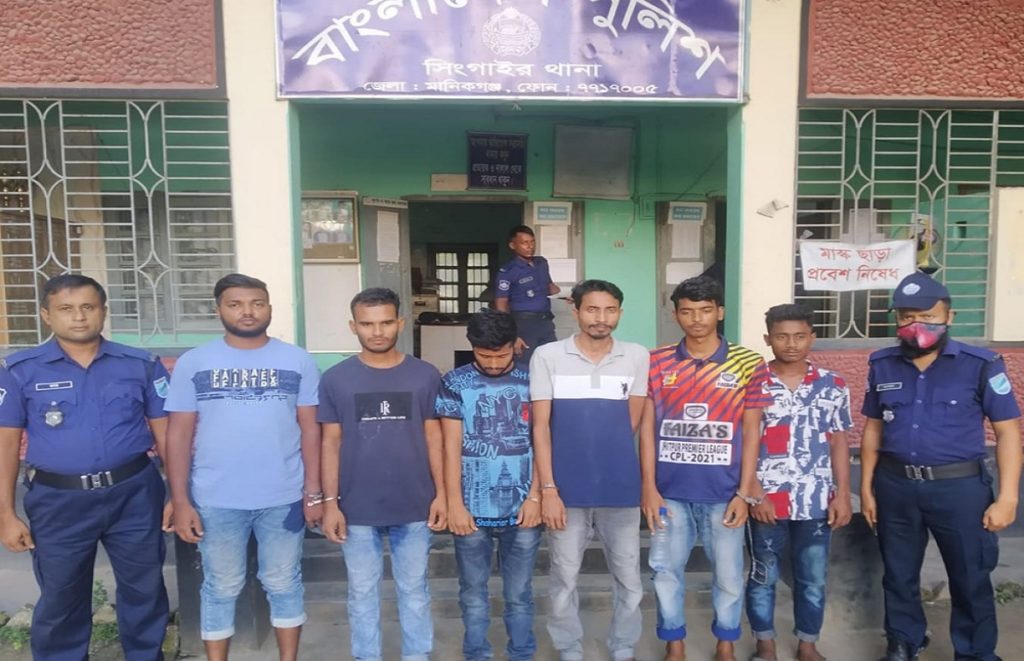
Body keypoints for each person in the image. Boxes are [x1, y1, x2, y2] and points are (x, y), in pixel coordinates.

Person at [0, 273, 171, 659]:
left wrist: (178, 495)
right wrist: (5, 514)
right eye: (66, 309)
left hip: (134, 494)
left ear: (103, 312)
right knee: (61, 598)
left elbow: (166, 434)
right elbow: (5, 445)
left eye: (88, 307)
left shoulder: (140, 365)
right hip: (59, 501)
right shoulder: (19, 370)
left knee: (144, 590)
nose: (79, 317)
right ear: (46, 315)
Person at [860, 272, 1022, 661]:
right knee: (898, 574)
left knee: (970, 576)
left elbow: (1008, 433)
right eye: (906, 316)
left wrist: (1008, 498)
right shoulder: (882, 364)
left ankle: (976, 652)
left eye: (927, 316)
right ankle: (904, 641)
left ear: (949, 317)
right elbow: (873, 429)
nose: (916, 324)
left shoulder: (980, 364)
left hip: (959, 488)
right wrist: (866, 488)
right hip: (896, 486)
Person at [164, 273, 322, 661]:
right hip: (216, 499)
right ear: (218, 309)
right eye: (235, 304)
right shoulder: (194, 362)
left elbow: (311, 431)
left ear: (269, 308)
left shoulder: (297, 360)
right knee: (221, 586)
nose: (247, 311)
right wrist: (180, 500)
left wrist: (314, 493)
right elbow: (178, 435)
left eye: (257, 303)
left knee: (283, 582)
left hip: (283, 496)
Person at [640, 275, 772, 661]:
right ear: (676, 315)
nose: (696, 319)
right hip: (669, 493)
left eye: (705, 310)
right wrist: (649, 487)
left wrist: (745, 492)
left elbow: (753, 430)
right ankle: (675, 644)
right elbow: (646, 429)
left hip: (725, 494)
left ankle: (725, 644)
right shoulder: (655, 361)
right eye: (687, 311)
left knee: (729, 575)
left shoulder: (748, 362)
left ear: (720, 312)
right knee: (665, 571)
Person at [318, 287, 447, 661]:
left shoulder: (424, 375)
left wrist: (442, 494)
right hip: (356, 507)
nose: (377, 332)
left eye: (386, 322)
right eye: (367, 324)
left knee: (415, 591)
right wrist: (330, 504)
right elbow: (330, 442)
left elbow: (434, 437)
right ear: (353, 326)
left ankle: (417, 655)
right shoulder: (336, 378)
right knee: (361, 592)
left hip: (415, 504)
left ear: (400, 323)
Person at [531, 279, 649, 661]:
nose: (601, 318)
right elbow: (540, 428)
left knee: (629, 578)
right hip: (566, 492)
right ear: (576, 310)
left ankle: (623, 645)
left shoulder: (636, 356)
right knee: (564, 579)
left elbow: (630, 423)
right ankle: (569, 647)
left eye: (610, 310)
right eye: (593, 309)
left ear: (620, 312)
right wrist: (548, 489)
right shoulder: (548, 356)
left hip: (620, 489)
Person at [746, 304, 853, 661]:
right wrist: (754, 492)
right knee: (763, 574)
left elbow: (839, 441)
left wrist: (842, 495)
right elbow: (743, 440)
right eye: (782, 336)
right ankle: (765, 643)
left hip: (816, 499)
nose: (791, 344)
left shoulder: (832, 384)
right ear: (768, 339)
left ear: (812, 337)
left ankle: (808, 643)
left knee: (812, 577)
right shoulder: (753, 382)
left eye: (799, 336)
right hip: (766, 499)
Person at [436, 308, 542, 661]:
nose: (494, 364)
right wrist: (455, 504)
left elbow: (543, 441)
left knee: (519, 594)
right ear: (472, 347)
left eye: (502, 355)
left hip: (524, 511)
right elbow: (450, 447)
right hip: (471, 513)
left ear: (515, 345)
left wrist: (536, 497)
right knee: (472, 594)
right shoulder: (455, 383)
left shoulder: (533, 381)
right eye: (485, 356)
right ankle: (476, 654)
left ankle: (522, 654)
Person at [494, 224, 561, 366]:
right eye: (524, 243)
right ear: (513, 245)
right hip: (523, 325)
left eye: (532, 242)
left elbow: (551, 288)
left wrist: (571, 294)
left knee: (551, 363)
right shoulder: (508, 271)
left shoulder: (541, 263)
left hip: (546, 322)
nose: (530, 246)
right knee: (525, 367)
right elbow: (501, 304)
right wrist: (512, 334)